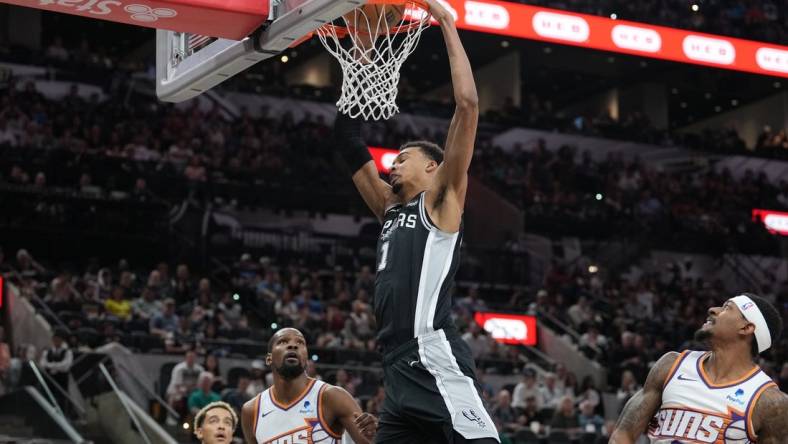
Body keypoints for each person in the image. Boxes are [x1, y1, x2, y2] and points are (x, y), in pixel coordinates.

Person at [334, 1, 497, 442]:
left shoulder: (442, 201)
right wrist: (363, 47)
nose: (394, 165)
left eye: (404, 159)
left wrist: (445, 20)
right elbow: (346, 137)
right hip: (394, 367)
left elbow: (467, 105)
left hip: (432, 353)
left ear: (433, 169)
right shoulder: (388, 207)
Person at [610, 293, 788, 443]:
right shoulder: (672, 365)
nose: (713, 309)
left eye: (727, 308)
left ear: (746, 327)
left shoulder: (769, 401)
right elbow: (623, 434)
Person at [241, 328, 378, 444]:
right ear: (269, 358)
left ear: (306, 358)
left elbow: (369, 440)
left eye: (300, 343)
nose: (293, 345)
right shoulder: (251, 411)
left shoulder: (332, 397)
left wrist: (376, 434)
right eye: (283, 341)